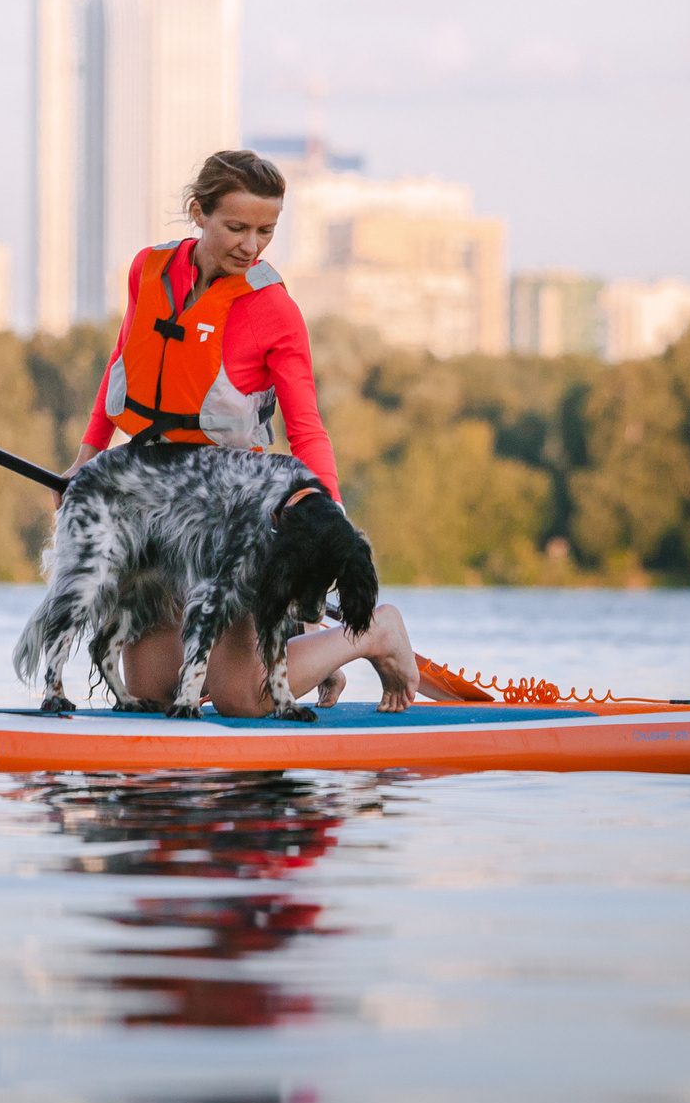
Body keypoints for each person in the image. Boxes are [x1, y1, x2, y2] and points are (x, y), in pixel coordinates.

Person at [59, 148, 448, 715]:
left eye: (266, 230)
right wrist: (84, 460)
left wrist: (327, 523)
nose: (251, 245)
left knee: (245, 700)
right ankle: (283, 651)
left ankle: (373, 633)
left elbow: (307, 428)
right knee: (148, 690)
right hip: (151, 501)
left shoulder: (274, 310)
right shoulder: (148, 269)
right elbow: (122, 364)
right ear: (199, 213)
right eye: (236, 227)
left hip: (231, 515)